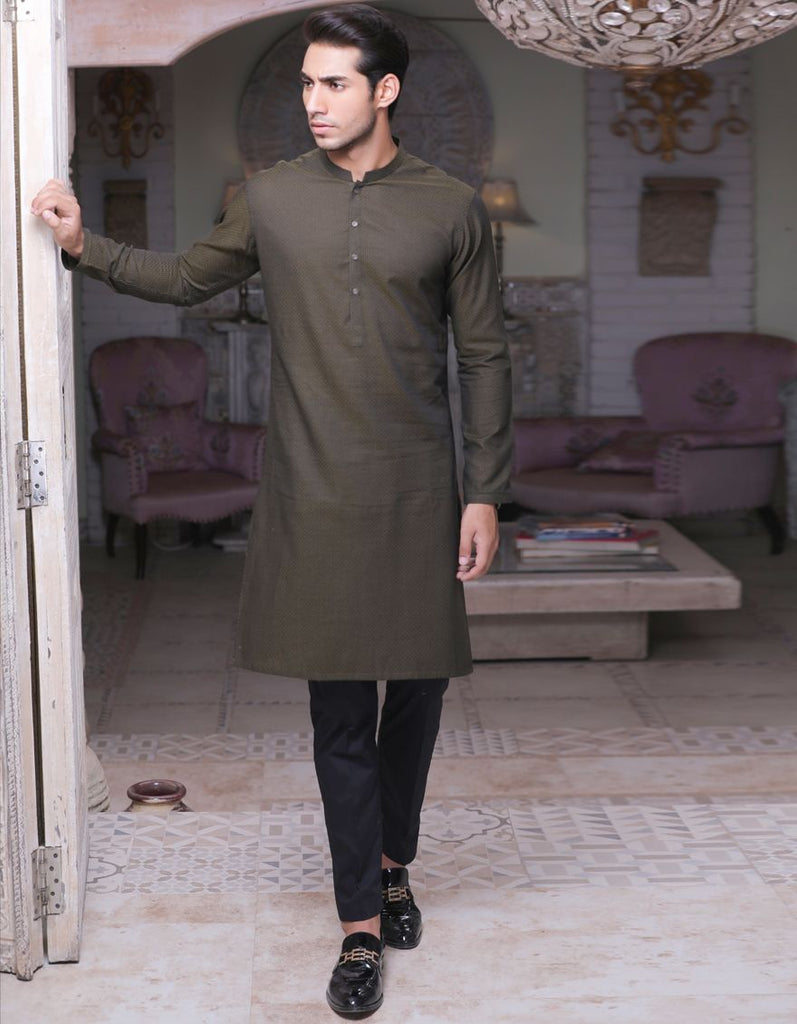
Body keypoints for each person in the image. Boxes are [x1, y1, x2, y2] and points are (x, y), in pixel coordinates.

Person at [32, 5, 512, 1016]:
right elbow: (182, 279)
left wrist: (483, 491)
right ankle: (358, 927)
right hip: (312, 488)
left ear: (385, 90)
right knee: (337, 713)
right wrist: (83, 246)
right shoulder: (271, 197)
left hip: (419, 488)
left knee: (415, 698)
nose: (314, 102)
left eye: (333, 83)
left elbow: (483, 357)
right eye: (305, 84)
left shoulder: (452, 210)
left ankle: (393, 862)